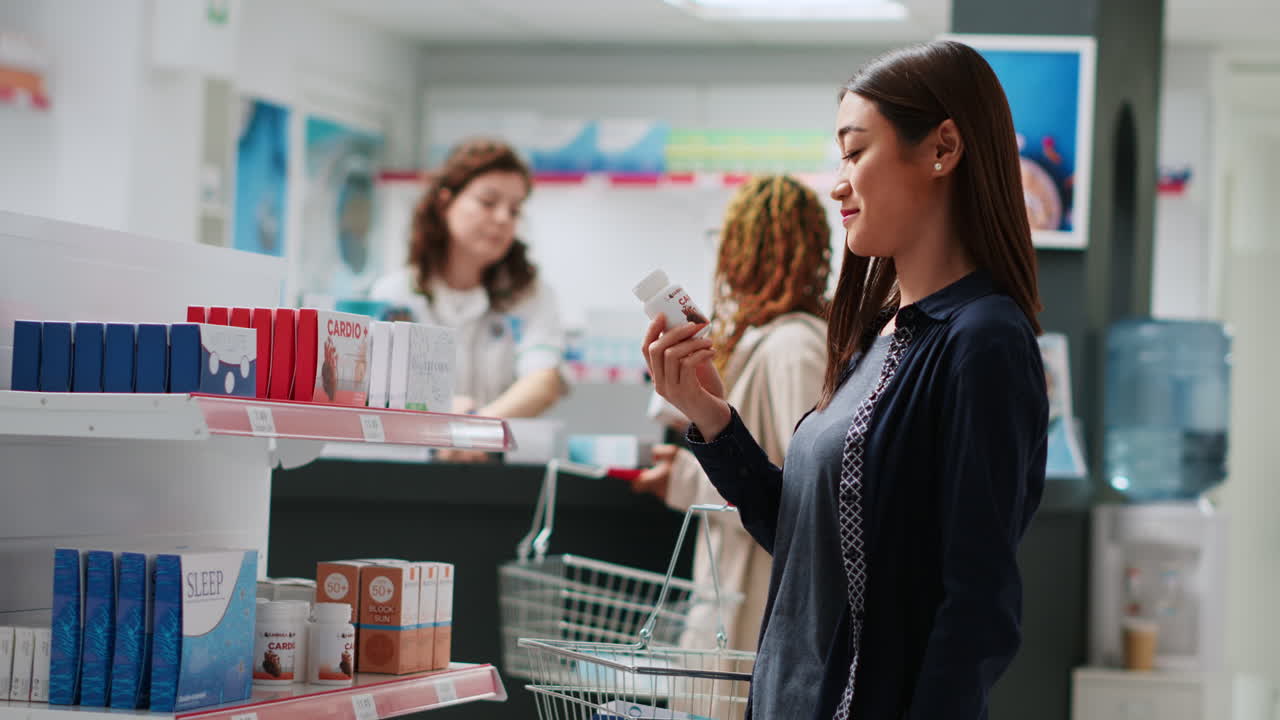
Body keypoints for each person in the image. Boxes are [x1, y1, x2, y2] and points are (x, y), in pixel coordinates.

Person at [642, 40, 1049, 720]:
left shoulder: (984, 341)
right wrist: (711, 416)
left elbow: (979, 607)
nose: (837, 183)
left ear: (942, 148)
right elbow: (805, 539)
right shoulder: (873, 336)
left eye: (855, 152)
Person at [633, 174, 831, 653]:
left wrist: (683, 479)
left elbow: (794, 492)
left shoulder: (794, 348)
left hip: (760, 602)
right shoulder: (773, 339)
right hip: (739, 594)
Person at [370, 139, 566, 432]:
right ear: (445, 202)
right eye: (488, 202)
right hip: (415, 459)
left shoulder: (529, 295)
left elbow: (543, 380)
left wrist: (476, 430)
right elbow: (380, 395)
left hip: (497, 460)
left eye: (514, 210)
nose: (502, 218)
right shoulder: (395, 295)